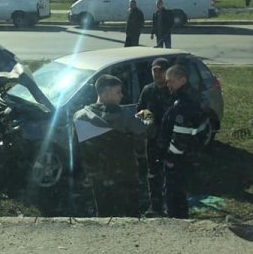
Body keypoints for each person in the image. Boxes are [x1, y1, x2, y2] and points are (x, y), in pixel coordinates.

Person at [73, 75, 148, 217]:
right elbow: (148, 128)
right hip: (126, 176)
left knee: (104, 215)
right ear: (106, 93)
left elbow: (76, 150)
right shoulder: (125, 117)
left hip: (98, 178)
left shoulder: (79, 117)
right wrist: (147, 111)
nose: (122, 96)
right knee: (131, 216)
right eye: (118, 92)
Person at [156, 65, 207, 218]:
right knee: (180, 192)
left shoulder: (184, 103)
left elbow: (181, 135)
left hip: (178, 159)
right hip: (189, 154)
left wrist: (171, 158)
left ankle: (176, 222)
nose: (168, 85)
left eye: (171, 81)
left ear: (182, 80)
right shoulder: (191, 96)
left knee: (174, 194)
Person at [136, 58, 175, 216]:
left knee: (171, 173)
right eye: (154, 71)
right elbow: (139, 110)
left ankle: (170, 205)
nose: (157, 74)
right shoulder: (148, 90)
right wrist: (149, 122)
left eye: (160, 70)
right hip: (152, 140)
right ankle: (155, 206)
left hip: (170, 140)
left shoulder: (172, 90)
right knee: (153, 174)